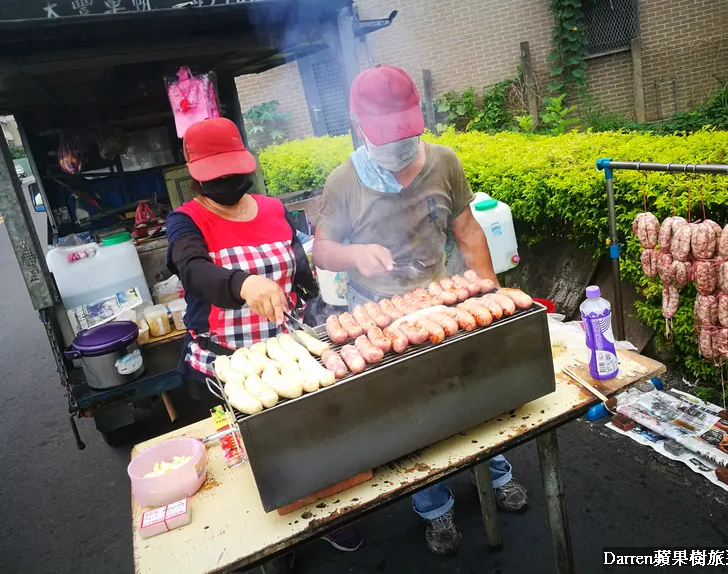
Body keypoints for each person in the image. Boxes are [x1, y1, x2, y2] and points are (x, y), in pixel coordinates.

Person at [313, 65, 529, 556]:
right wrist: (354, 254)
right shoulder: (344, 181)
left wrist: (488, 291)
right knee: (413, 415)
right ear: (358, 123)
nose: (398, 145)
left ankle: (496, 475)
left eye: (405, 132)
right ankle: (435, 508)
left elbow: (467, 230)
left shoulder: (444, 162)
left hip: (442, 299)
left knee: (477, 395)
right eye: (387, 134)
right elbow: (322, 250)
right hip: (378, 315)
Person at [165, 117, 362, 552]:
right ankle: (261, 536)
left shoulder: (274, 209)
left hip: (288, 350)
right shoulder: (185, 221)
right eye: (215, 175)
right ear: (195, 173)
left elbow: (301, 270)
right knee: (247, 459)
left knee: (308, 436)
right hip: (224, 362)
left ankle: (325, 512)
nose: (228, 180)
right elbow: (194, 270)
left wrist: (320, 299)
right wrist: (242, 284)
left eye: (234, 170)